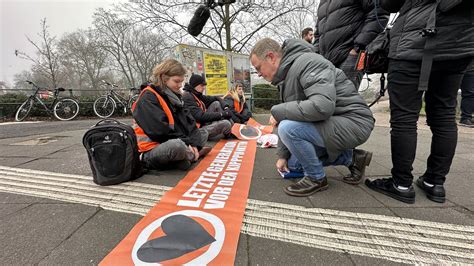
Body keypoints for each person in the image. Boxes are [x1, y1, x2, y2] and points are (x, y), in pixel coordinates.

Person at [365, 0, 474, 204]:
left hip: (415, 41)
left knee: (404, 118)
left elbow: (388, 4)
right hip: (460, 43)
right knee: (444, 115)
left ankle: (402, 184)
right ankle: (435, 183)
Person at [250, 38, 375, 197]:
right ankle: (353, 159)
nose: (259, 74)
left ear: (271, 57)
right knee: (293, 164)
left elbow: (322, 106)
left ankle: (316, 178)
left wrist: (278, 110)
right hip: (335, 122)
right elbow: (293, 115)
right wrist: (282, 156)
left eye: (258, 67)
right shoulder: (287, 77)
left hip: (354, 122)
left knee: (288, 128)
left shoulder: (309, 62)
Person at [132, 59, 211, 171]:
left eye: (181, 82)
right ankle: (191, 155)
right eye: (177, 81)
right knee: (177, 146)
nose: (180, 86)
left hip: (172, 139)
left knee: (202, 133)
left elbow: (189, 123)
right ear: (164, 78)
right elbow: (159, 131)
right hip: (151, 148)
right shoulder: (148, 97)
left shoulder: (175, 96)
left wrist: (192, 142)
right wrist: (187, 142)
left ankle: (186, 156)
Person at [314, 0, 389, 89]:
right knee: (326, 101)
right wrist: (316, 55)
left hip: (351, 56)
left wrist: (358, 48)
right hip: (325, 63)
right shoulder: (323, 2)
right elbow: (318, 32)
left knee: (345, 100)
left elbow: (379, 14)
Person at [182, 74, 233, 141]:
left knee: (216, 103)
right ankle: (230, 130)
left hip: (203, 124)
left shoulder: (196, 94)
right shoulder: (187, 96)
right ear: (195, 85)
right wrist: (222, 114)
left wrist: (226, 107)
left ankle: (232, 129)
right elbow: (200, 116)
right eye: (202, 85)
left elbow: (216, 98)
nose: (204, 87)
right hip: (197, 130)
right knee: (226, 124)